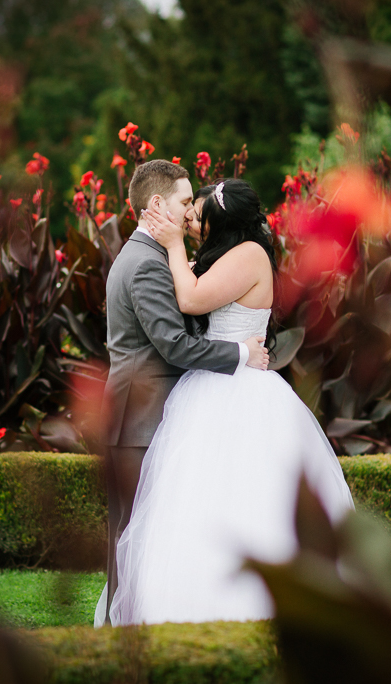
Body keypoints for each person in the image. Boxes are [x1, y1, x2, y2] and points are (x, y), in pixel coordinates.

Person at [104, 178, 355, 626]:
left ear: (221, 222)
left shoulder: (249, 254)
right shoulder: (221, 256)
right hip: (210, 386)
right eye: (188, 208)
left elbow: (190, 299)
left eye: (197, 214)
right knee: (193, 503)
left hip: (238, 390)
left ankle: (257, 600)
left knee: (247, 497)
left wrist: (174, 245)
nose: (190, 219)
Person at [97, 161, 270, 626]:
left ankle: (127, 629)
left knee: (138, 538)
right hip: (139, 418)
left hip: (141, 415)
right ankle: (122, 634)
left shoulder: (149, 257)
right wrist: (241, 352)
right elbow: (174, 345)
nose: (191, 211)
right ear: (158, 204)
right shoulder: (147, 265)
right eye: (185, 201)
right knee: (133, 537)